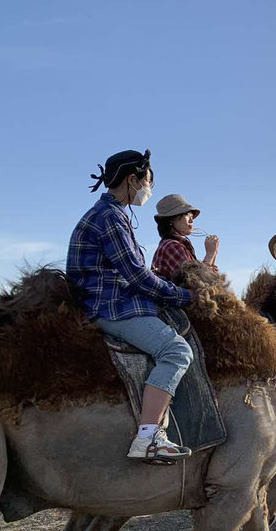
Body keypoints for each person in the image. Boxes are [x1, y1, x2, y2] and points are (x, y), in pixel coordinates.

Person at [67, 149, 194, 464]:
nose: (148, 190)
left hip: (112, 300)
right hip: (111, 307)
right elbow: (138, 277)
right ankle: (149, 437)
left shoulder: (111, 213)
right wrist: (187, 296)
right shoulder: (110, 217)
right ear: (132, 179)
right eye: (148, 182)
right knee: (177, 351)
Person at [151, 194, 220, 280]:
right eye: (187, 215)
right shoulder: (172, 246)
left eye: (192, 217)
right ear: (171, 219)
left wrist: (214, 254)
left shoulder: (179, 246)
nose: (191, 220)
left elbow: (212, 281)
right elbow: (195, 283)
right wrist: (209, 255)